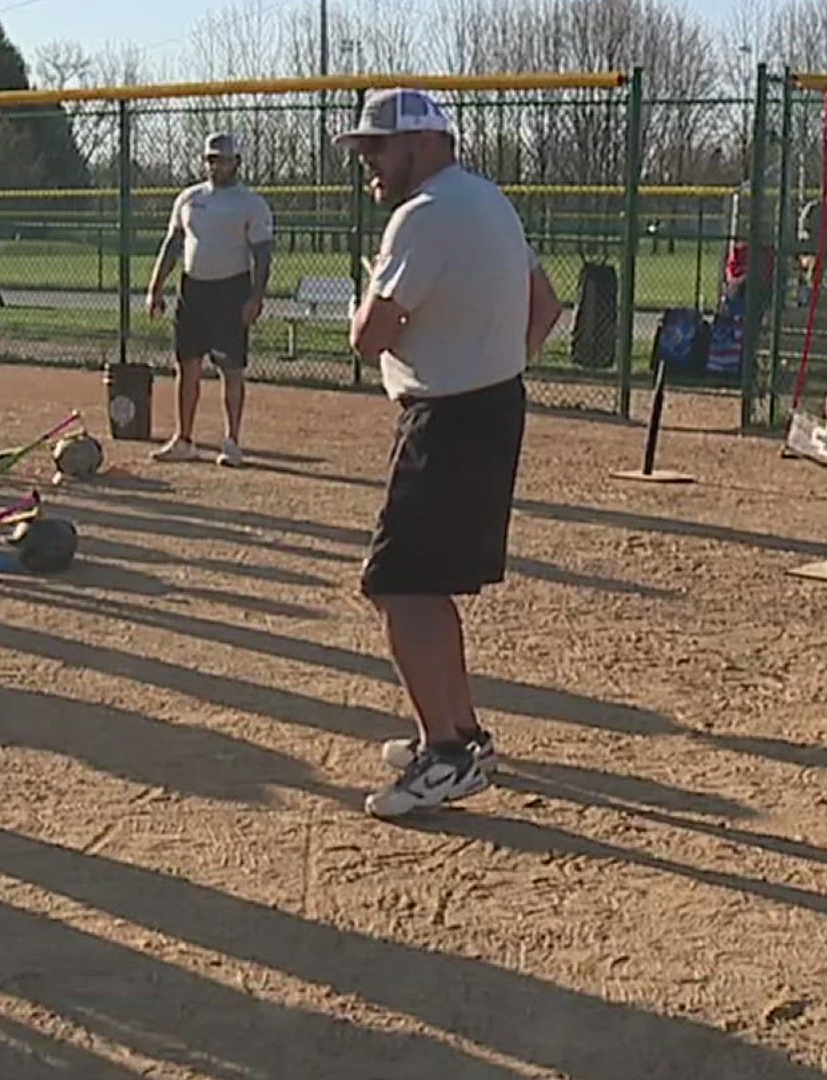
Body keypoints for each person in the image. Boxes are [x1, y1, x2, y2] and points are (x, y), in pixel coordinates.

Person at [338, 88, 563, 819]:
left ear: (427, 144)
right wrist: (500, 362)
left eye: (379, 145)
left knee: (397, 585)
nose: (368, 160)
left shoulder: (424, 215)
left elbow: (369, 338)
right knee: (421, 583)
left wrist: (367, 320)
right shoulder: (489, 200)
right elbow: (547, 304)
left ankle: (446, 755)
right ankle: (462, 735)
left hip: (448, 416)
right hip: (488, 406)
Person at [144, 132, 275, 468]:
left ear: (237, 163)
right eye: (211, 159)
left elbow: (262, 255)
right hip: (193, 291)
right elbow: (173, 244)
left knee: (231, 369)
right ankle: (184, 439)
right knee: (186, 365)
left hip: (231, 291)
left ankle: (232, 442)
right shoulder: (188, 198)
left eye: (223, 159)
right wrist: (156, 287)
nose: (216, 165)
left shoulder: (251, 204)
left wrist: (255, 298)